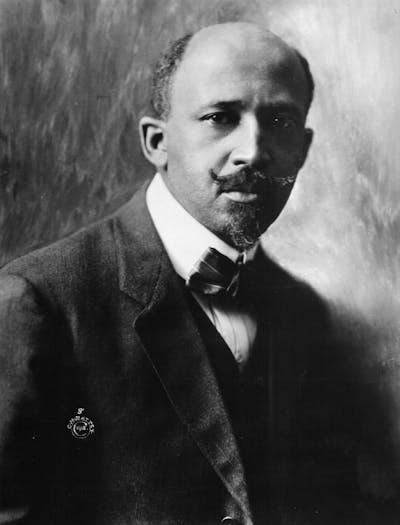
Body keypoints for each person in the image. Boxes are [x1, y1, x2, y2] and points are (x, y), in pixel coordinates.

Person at [0, 22, 397, 525]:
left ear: (303, 149)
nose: (252, 150)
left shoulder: (302, 311)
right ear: (157, 142)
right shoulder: (37, 304)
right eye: (219, 117)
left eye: (279, 120)